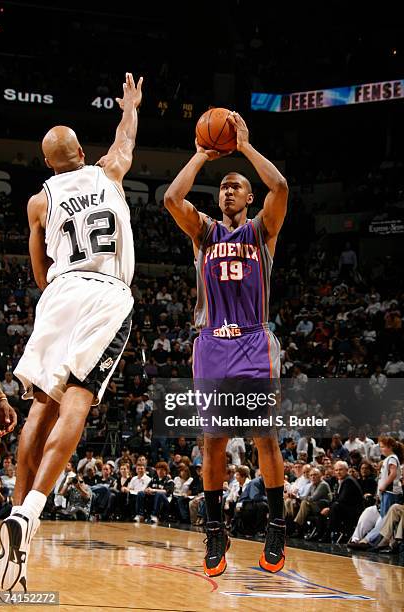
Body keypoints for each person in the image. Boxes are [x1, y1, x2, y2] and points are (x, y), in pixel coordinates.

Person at [0, 72, 143, 592]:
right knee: (80, 397)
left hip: (59, 293)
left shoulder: (39, 202)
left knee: (41, 405)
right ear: (82, 151)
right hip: (105, 292)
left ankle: (16, 517)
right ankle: (33, 511)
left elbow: (38, 275)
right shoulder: (110, 173)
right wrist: (130, 106)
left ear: (47, 164)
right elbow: (126, 137)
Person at [164, 111, 288, 577]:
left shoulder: (261, 230)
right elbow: (173, 197)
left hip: (254, 340)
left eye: (236, 186)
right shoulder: (204, 232)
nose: (228, 190)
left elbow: (281, 188)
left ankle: (277, 525)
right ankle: (215, 530)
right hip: (212, 341)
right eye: (223, 187)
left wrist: (245, 147)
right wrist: (201, 155)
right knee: (213, 442)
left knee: (265, 437)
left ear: (248, 196)